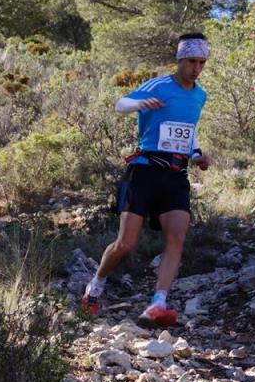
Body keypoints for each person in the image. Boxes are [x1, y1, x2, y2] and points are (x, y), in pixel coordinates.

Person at [81, 32, 213, 327]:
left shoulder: (200, 95)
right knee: (126, 243)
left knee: (176, 237)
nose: (196, 68)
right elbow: (120, 104)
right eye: (191, 61)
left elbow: (187, 133)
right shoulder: (160, 85)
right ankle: (96, 285)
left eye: (201, 62)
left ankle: (158, 303)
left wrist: (197, 155)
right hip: (145, 171)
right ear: (180, 60)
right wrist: (141, 105)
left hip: (176, 174)